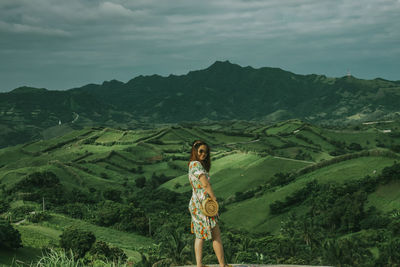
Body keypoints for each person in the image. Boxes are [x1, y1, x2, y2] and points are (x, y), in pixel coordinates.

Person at [188, 140, 230, 267]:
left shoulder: (192, 164)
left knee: (200, 235)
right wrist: (214, 198)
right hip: (204, 205)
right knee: (215, 235)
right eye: (201, 151)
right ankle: (222, 265)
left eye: (206, 152)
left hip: (197, 204)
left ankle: (200, 265)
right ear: (195, 151)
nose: (204, 154)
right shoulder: (196, 165)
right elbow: (205, 184)